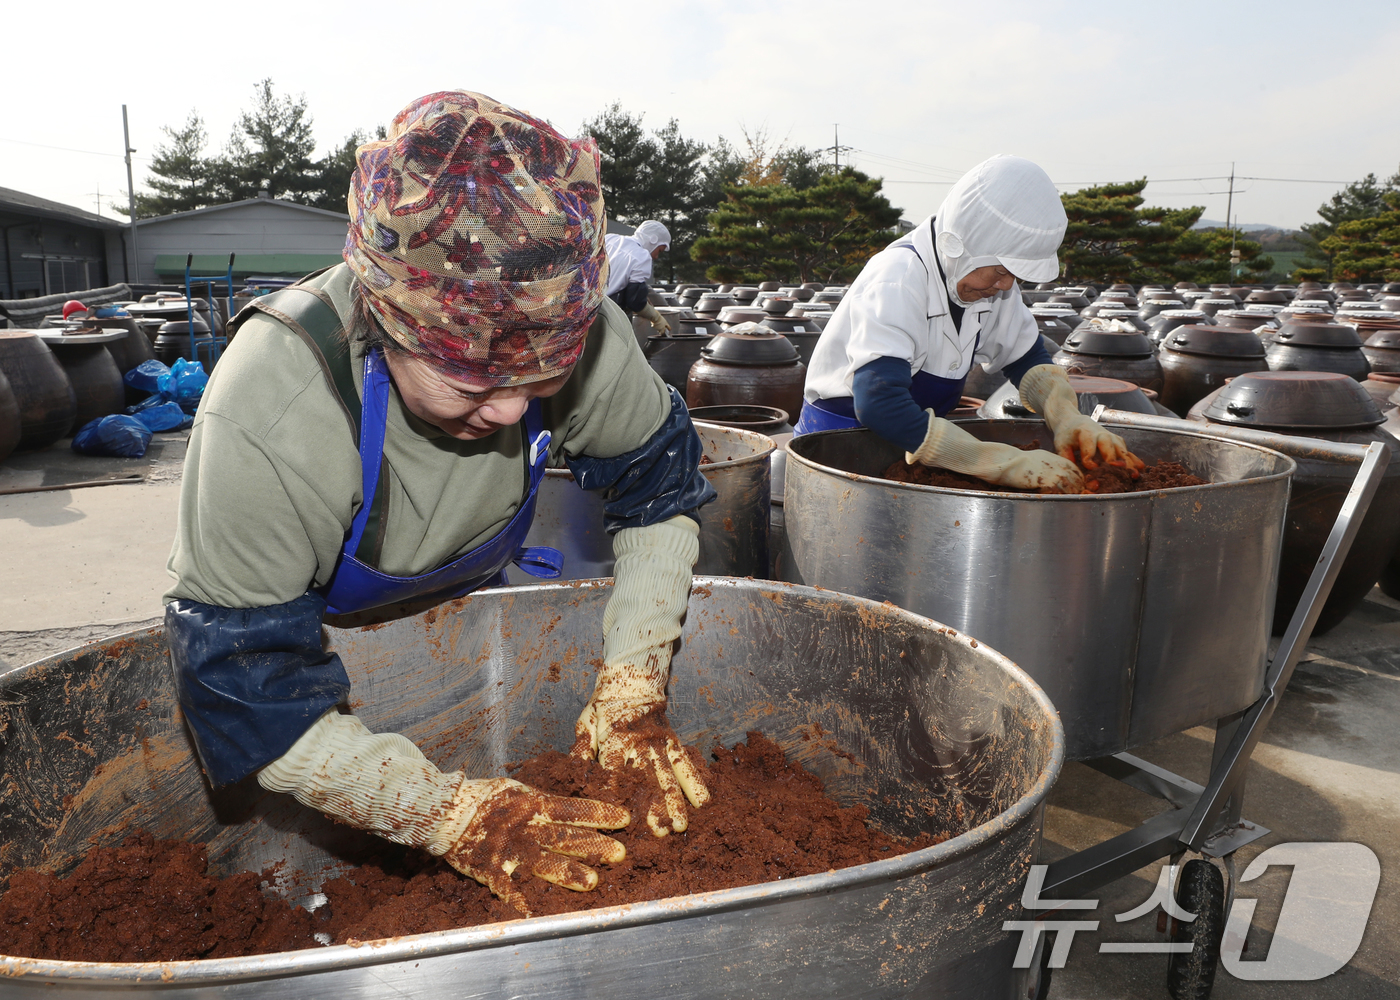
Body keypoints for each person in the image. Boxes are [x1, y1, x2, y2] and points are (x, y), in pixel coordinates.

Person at [162, 91, 716, 916]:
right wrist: (450, 816)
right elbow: (249, 688)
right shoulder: (273, 403)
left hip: (468, 629)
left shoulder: (579, 327)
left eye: (543, 382)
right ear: (386, 321)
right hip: (313, 696)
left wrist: (633, 684)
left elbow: (657, 492)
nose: (509, 412)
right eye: (472, 381)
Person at [795, 154, 1141, 492]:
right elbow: (878, 402)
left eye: (1014, 275)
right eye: (1002, 270)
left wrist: (1066, 416)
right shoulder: (899, 277)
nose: (1006, 285)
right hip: (842, 454)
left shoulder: (988, 285)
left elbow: (1025, 357)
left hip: (918, 451)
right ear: (960, 245)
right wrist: (1000, 463)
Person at [604, 220, 672, 334]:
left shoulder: (610, 239)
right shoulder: (642, 257)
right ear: (653, 240)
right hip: (607, 316)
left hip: (583, 307)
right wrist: (656, 317)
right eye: (659, 250)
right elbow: (634, 301)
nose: (656, 256)